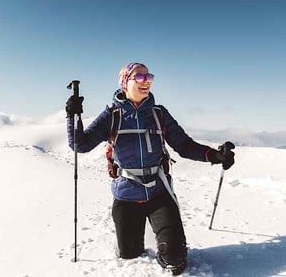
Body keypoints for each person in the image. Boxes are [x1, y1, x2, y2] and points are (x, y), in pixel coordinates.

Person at [66, 62, 235, 276]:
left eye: (149, 77)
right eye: (139, 77)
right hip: (126, 195)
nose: (146, 81)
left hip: (159, 192)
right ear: (125, 83)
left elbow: (184, 144)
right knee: (130, 255)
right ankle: (133, 240)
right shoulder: (112, 115)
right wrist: (72, 117)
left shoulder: (158, 114)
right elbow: (80, 145)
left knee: (174, 259)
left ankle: (169, 245)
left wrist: (214, 155)